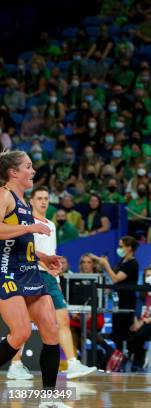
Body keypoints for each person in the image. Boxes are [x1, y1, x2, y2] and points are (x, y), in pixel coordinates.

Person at [7, 187, 96, 381]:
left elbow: (50, 252)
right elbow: (25, 252)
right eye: (39, 198)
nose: (43, 202)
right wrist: (44, 262)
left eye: (46, 198)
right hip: (32, 275)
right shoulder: (27, 223)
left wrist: (55, 268)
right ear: (31, 201)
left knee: (62, 320)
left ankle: (72, 363)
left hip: (51, 279)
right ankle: (15, 364)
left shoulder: (51, 224)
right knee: (24, 326)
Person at [0, 151, 64, 397]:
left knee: (51, 329)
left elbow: (20, 242)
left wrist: (43, 257)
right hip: (7, 273)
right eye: (28, 166)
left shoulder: (25, 203)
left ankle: (49, 398)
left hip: (30, 271)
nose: (33, 171)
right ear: (13, 172)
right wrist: (30, 227)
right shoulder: (4, 195)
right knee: (22, 332)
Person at [92, 236, 140, 370]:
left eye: (121, 246)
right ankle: (117, 361)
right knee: (116, 334)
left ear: (129, 248)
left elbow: (115, 278)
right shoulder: (123, 261)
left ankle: (128, 361)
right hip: (118, 301)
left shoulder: (132, 264)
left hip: (127, 302)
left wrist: (106, 264)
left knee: (124, 334)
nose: (119, 249)